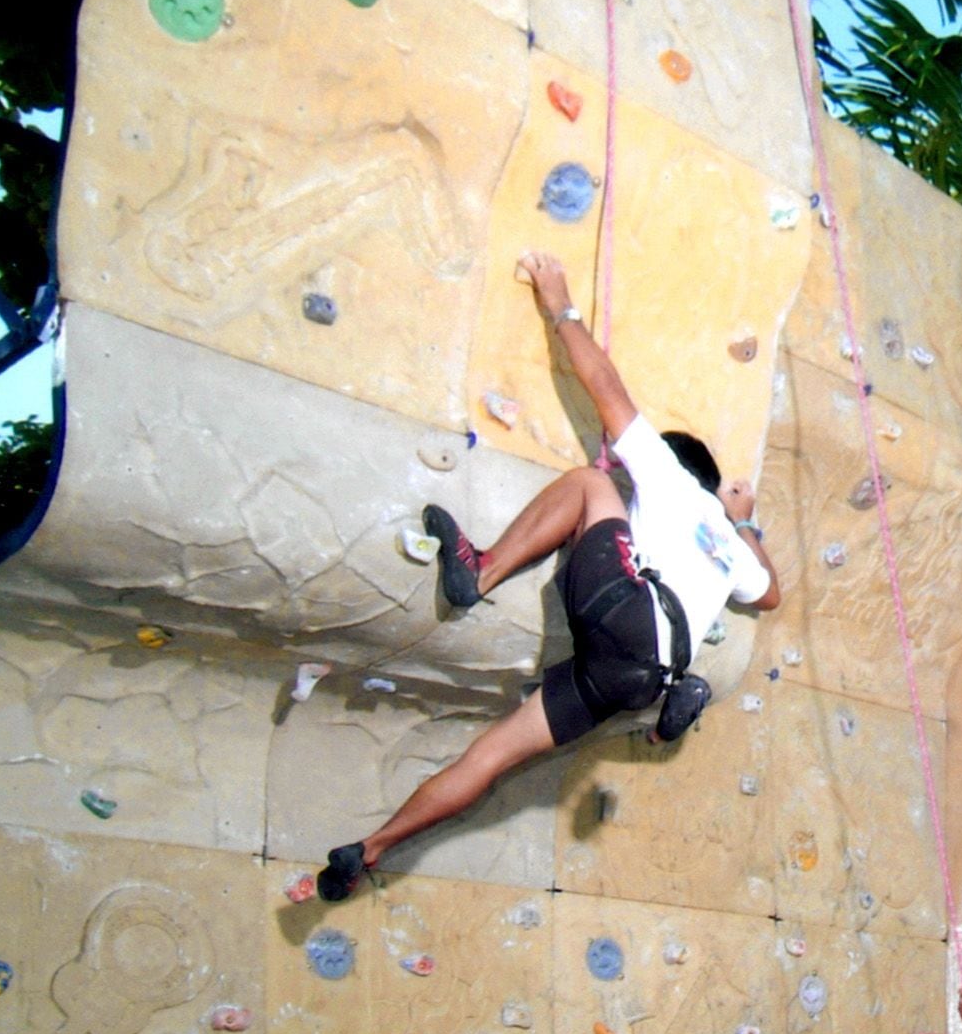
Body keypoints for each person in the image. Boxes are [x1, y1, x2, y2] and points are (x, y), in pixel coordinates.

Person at [309, 250, 780, 902]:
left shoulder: (668, 477)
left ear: (669, 463)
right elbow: (772, 593)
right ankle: (369, 850)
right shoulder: (729, 542)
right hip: (636, 677)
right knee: (492, 757)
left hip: (629, 616)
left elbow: (605, 389)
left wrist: (559, 302)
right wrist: (745, 521)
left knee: (590, 483)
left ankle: (482, 569)